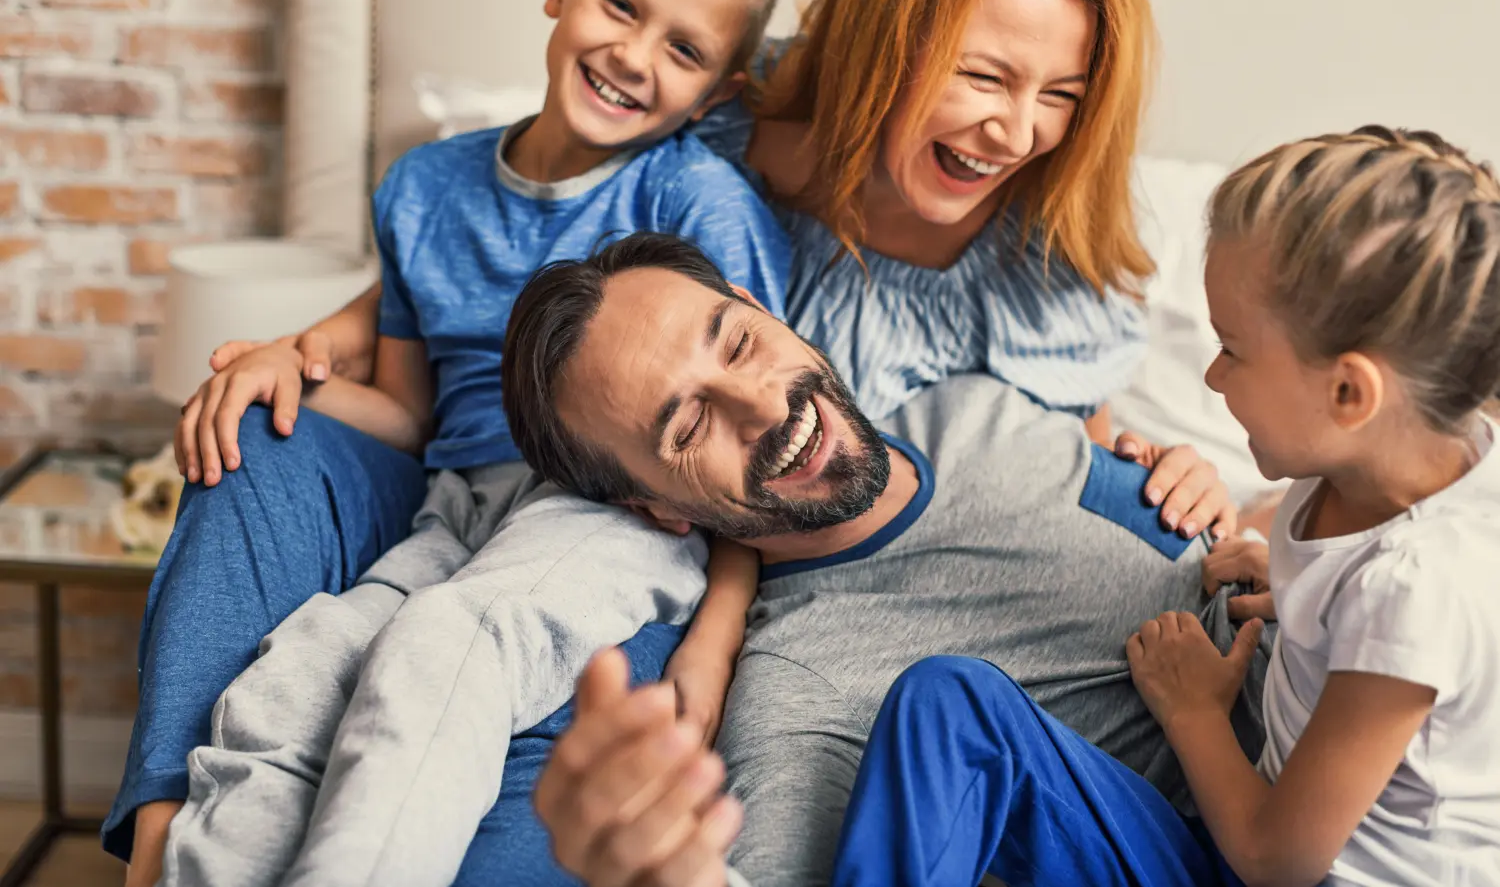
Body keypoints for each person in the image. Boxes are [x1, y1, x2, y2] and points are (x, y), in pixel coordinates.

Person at [128, 0, 1227, 881]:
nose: (1014, 128)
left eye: (1061, 94)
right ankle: (163, 848)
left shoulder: (1036, 277)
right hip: (584, 492)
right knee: (297, 619)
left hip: (753, 554)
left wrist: (1188, 486)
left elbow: (1068, 466)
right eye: (983, 74)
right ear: (884, 46)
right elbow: (496, 272)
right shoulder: (710, 128)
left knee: (459, 649)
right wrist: (300, 349)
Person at [117, 0, 787, 886]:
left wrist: (716, 644)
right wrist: (281, 368)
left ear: (717, 92)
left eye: (684, 51)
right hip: (456, 504)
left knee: (444, 648)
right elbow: (407, 410)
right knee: (298, 680)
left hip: (611, 509)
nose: (636, 56)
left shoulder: (695, 202)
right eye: (620, 5)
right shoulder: (424, 187)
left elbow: (754, 452)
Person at [826, 127, 1500, 887]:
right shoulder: (1396, 454)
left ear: (1349, 392)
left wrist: (1195, 710)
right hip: (1245, 829)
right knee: (948, 706)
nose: (1211, 376)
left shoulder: (1415, 590)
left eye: (1234, 349)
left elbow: (1278, 859)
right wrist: (1299, 592)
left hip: (1268, 861)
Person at [504, 233, 1260, 887]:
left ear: (759, 307)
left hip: (1328, 726)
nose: (764, 406)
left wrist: (1234, 518)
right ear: (656, 508)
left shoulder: (976, 404)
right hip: (1239, 843)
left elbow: (1212, 527)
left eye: (737, 342)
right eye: (691, 425)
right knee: (949, 698)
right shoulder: (802, 699)